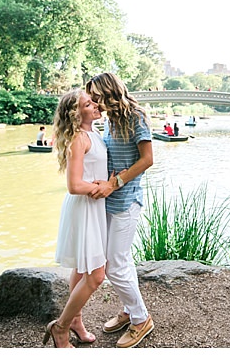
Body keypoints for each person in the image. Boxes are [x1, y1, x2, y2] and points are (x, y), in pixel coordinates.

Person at [86, 72, 155, 348]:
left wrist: (115, 182)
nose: (93, 101)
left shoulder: (136, 116)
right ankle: (129, 310)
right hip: (108, 199)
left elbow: (148, 159)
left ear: (108, 91)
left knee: (114, 264)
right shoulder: (110, 120)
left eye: (95, 95)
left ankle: (141, 319)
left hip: (127, 200)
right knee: (119, 260)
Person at [42, 89, 107, 348]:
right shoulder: (79, 138)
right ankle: (61, 328)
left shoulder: (95, 133)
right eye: (88, 104)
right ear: (75, 113)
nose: (95, 106)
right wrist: (103, 187)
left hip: (94, 205)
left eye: (93, 102)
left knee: (81, 269)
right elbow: (73, 185)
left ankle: (76, 322)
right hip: (85, 206)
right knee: (96, 275)